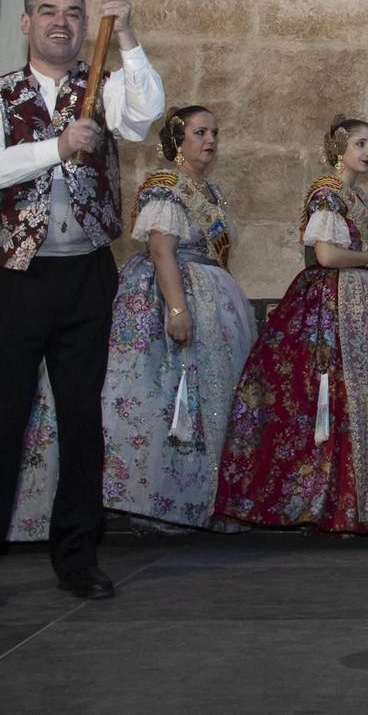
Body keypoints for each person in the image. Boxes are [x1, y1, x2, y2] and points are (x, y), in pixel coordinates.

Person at [0, 0, 163, 608]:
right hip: (11, 277)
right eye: (47, 11)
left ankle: (77, 558)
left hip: (85, 273)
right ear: (25, 22)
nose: (59, 22)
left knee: (82, 421)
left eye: (73, 13)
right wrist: (54, 148)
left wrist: (129, 36)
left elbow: (144, 117)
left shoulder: (103, 88)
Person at [215, 116, 368, 533]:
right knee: (319, 395)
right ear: (339, 149)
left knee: (356, 397)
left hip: (362, 303)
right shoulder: (327, 192)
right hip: (326, 304)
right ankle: (314, 497)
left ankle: (354, 497)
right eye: (360, 144)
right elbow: (327, 256)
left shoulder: (359, 199)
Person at [101, 106, 256, 531]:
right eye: (200, 132)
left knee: (212, 396)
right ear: (178, 140)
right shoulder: (166, 187)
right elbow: (161, 251)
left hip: (214, 295)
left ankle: (205, 498)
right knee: (165, 392)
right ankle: (159, 498)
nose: (210, 140)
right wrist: (177, 309)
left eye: (214, 133)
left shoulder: (211, 191)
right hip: (170, 295)